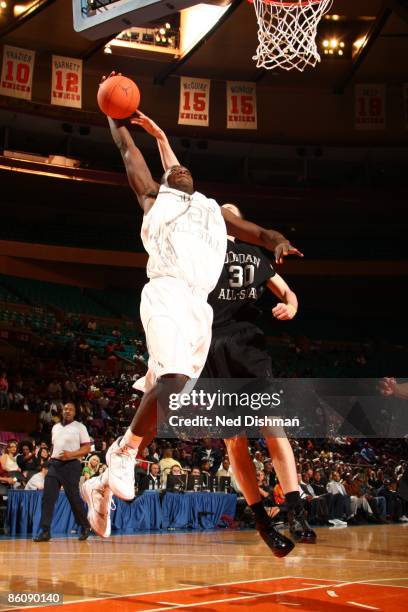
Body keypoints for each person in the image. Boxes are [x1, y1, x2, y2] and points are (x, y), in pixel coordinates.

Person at [81, 75, 302, 537]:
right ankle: (121, 456)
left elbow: (256, 234)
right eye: (172, 172)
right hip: (165, 293)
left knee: (174, 396)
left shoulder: (210, 209)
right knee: (174, 380)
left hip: (199, 310)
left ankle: (101, 484)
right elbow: (129, 154)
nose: (180, 172)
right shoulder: (154, 200)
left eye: (181, 169)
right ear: (165, 182)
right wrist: (114, 116)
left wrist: (277, 240)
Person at [33, 402, 91, 542]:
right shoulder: (56, 427)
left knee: (73, 497)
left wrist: (69, 455)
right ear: (62, 411)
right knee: (48, 498)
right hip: (54, 465)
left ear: (75, 413)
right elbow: (55, 446)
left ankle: (84, 526)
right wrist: (50, 461)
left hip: (71, 465)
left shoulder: (80, 427)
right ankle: (45, 531)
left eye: (71, 409)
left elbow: (87, 448)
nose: (68, 411)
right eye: (65, 409)